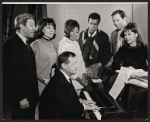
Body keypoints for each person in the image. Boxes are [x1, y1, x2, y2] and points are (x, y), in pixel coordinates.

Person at [39, 51, 100, 119]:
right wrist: (85, 107)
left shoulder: (63, 76)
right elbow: (66, 110)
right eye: (74, 64)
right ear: (64, 66)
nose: (77, 66)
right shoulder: (58, 82)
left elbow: (66, 98)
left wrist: (81, 101)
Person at [3, 13, 39, 119]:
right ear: (22, 26)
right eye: (31, 25)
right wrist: (20, 97)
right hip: (22, 99)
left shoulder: (26, 43)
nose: (35, 28)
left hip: (30, 98)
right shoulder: (10, 44)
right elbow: (8, 74)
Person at [79, 12, 112, 78]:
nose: (92, 26)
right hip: (84, 67)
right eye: (91, 23)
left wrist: (99, 65)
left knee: (95, 85)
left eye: (95, 24)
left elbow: (108, 54)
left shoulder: (104, 36)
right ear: (88, 22)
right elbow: (80, 51)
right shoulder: (82, 34)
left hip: (97, 67)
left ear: (98, 24)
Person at [57, 19, 88, 90]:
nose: (75, 34)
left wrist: (84, 75)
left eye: (77, 32)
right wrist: (79, 79)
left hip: (81, 81)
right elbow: (65, 67)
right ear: (67, 31)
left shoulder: (76, 43)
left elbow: (81, 61)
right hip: (72, 81)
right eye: (72, 31)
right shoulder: (62, 44)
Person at [31, 17, 57, 95]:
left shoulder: (53, 45)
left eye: (53, 27)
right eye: (48, 27)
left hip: (52, 85)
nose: (52, 30)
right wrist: (45, 80)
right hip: (39, 85)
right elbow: (32, 68)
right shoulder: (35, 44)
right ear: (41, 29)